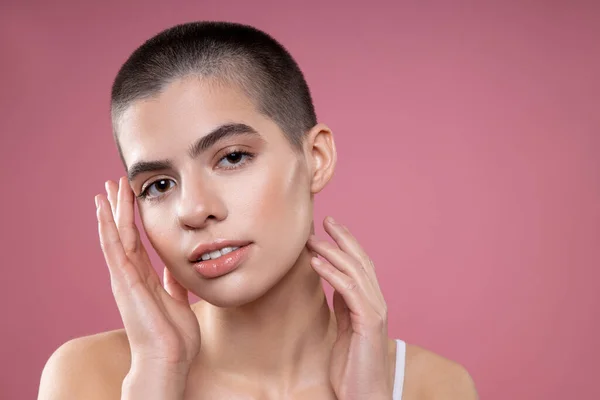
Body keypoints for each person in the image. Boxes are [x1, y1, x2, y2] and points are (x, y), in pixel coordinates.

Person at [38, 21, 478, 400]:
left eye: (231, 157)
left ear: (317, 158)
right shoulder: (91, 377)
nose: (193, 210)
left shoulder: (429, 386)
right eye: (158, 185)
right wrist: (157, 374)